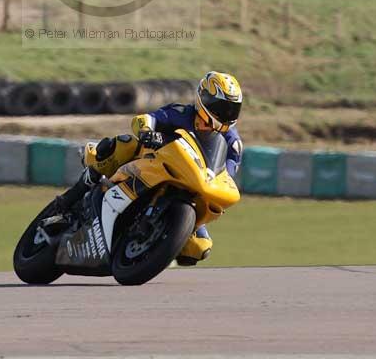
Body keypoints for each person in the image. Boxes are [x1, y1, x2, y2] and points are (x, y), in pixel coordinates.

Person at [56, 71, 244, 265]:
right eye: (222, 108)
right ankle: (74, 195)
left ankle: (153, 244)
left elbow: (227, 172)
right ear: (204, 99)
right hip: (151, 162)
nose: (227, 115)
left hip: (191, 182)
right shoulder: (181, 113)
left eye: (233, 110)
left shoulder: (232, 141)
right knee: (125, 144)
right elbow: (148, 119)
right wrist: (147, 131)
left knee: (199, 248)